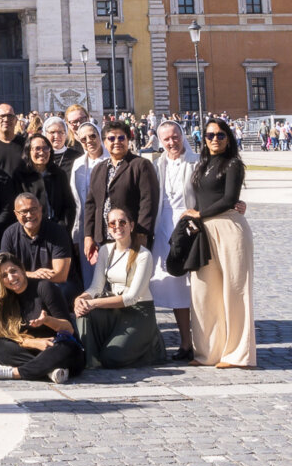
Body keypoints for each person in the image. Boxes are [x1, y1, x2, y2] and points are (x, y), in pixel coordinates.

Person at [186, 119, 256, 368]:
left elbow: (229, 199)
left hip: (229, 228)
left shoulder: (234, 164)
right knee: (204, 292)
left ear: (229, 138)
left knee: (235, 291)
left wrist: (198, 214)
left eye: (220, 135)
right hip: (204, 230)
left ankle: (237, 354)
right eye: (210, 135)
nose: (215, 139)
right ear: (203, 138)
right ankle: (208, 352)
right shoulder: (201, 165)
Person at [75, 208, 166, 369]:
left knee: (111, 359)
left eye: (122, 222)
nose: (117, 226)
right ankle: (90, 361)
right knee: (83, 312)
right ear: (108, 229)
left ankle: (152, 346)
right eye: (112, 223)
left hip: (139, 312)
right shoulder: (105, 250)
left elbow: (132, 297)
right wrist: (80, 299)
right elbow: (96, 287)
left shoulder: (143, 255)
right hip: (115, 310)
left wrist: (94, 303)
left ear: (131, 226)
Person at [0, 252, 85, 384]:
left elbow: (68, 330)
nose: (11, 277)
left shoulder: (45, 287)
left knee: (67, 348)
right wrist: (33, 342)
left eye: (13, 271)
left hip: (56, 348)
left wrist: (47, 320)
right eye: (4, 276)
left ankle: (15, 373)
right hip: (31, 351)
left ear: (22, 269)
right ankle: (48, 370)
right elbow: (5, 335)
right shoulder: (2, 299)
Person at [83, 120, 160, 271]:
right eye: (111, 138)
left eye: (121, 138)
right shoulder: (99, 169)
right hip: (105, 237)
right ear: (104, 142)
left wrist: (142, 234)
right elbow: (91, 204)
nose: (116, 142)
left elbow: (148, 201)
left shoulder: (140, 165)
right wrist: (88, 235)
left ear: (128, 140)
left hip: (131, 237)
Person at [151, 120, 197, 360]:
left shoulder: (196, 162)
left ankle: (204, 340)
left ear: (182, 136)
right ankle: (185, 342)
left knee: (197, 287)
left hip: (191, 228)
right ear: (161, 141)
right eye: (166, 139)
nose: (171, 142)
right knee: (175, 285)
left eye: (175, 137)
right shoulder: (157, 164)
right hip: (163, 228)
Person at [0, 192, 80, 305]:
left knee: (53, 290)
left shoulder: (57, 232)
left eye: (33, 209)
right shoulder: (9, 234)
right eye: (24, 211)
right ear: (16, 214)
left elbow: (60, 275)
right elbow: (4, 272)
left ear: (41, 209)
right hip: (23, 283)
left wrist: (23, 276)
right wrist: (32, 274)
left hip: (58, 285)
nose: (29, 215)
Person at [69, 122, 106, 286]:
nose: (89, 141)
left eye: (92, 136)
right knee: (90, 273)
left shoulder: (111, 159)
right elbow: (76, 200)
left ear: (99, 136)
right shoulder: (77, 164)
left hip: (108, 225)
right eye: (83, 139)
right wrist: (77, 235)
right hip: (87, 226)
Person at [0, 104, 27, 177]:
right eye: (2, 116)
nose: (6, 119)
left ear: (15, 120)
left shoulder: (26, 144)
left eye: (10, 116)